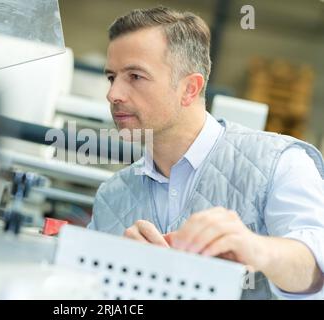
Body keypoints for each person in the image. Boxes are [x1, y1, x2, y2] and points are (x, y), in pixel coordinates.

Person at [87, 6, 324, 299]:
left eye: (135, 76)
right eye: (112, 77)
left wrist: (256, 248)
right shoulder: (112, 197)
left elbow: (316, 263)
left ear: (189, 88)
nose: (113, 94)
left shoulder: (278, 163)